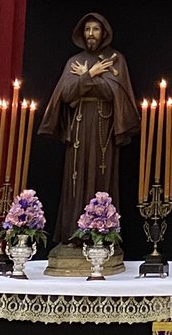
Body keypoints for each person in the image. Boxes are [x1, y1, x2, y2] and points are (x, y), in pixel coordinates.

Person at [38, 13, 140, 248]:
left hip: (104, 128)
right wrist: (91, 74)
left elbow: (113, 93)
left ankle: (101, 234)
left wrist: (87, 80)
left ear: (104, 33)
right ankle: (73, 233)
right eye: (87, 29)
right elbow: (66, 94)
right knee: (75, 177)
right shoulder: (74, 60)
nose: (91, 34)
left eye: (95, 29)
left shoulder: (116, 59)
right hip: (79, 126)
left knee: (101, 175)